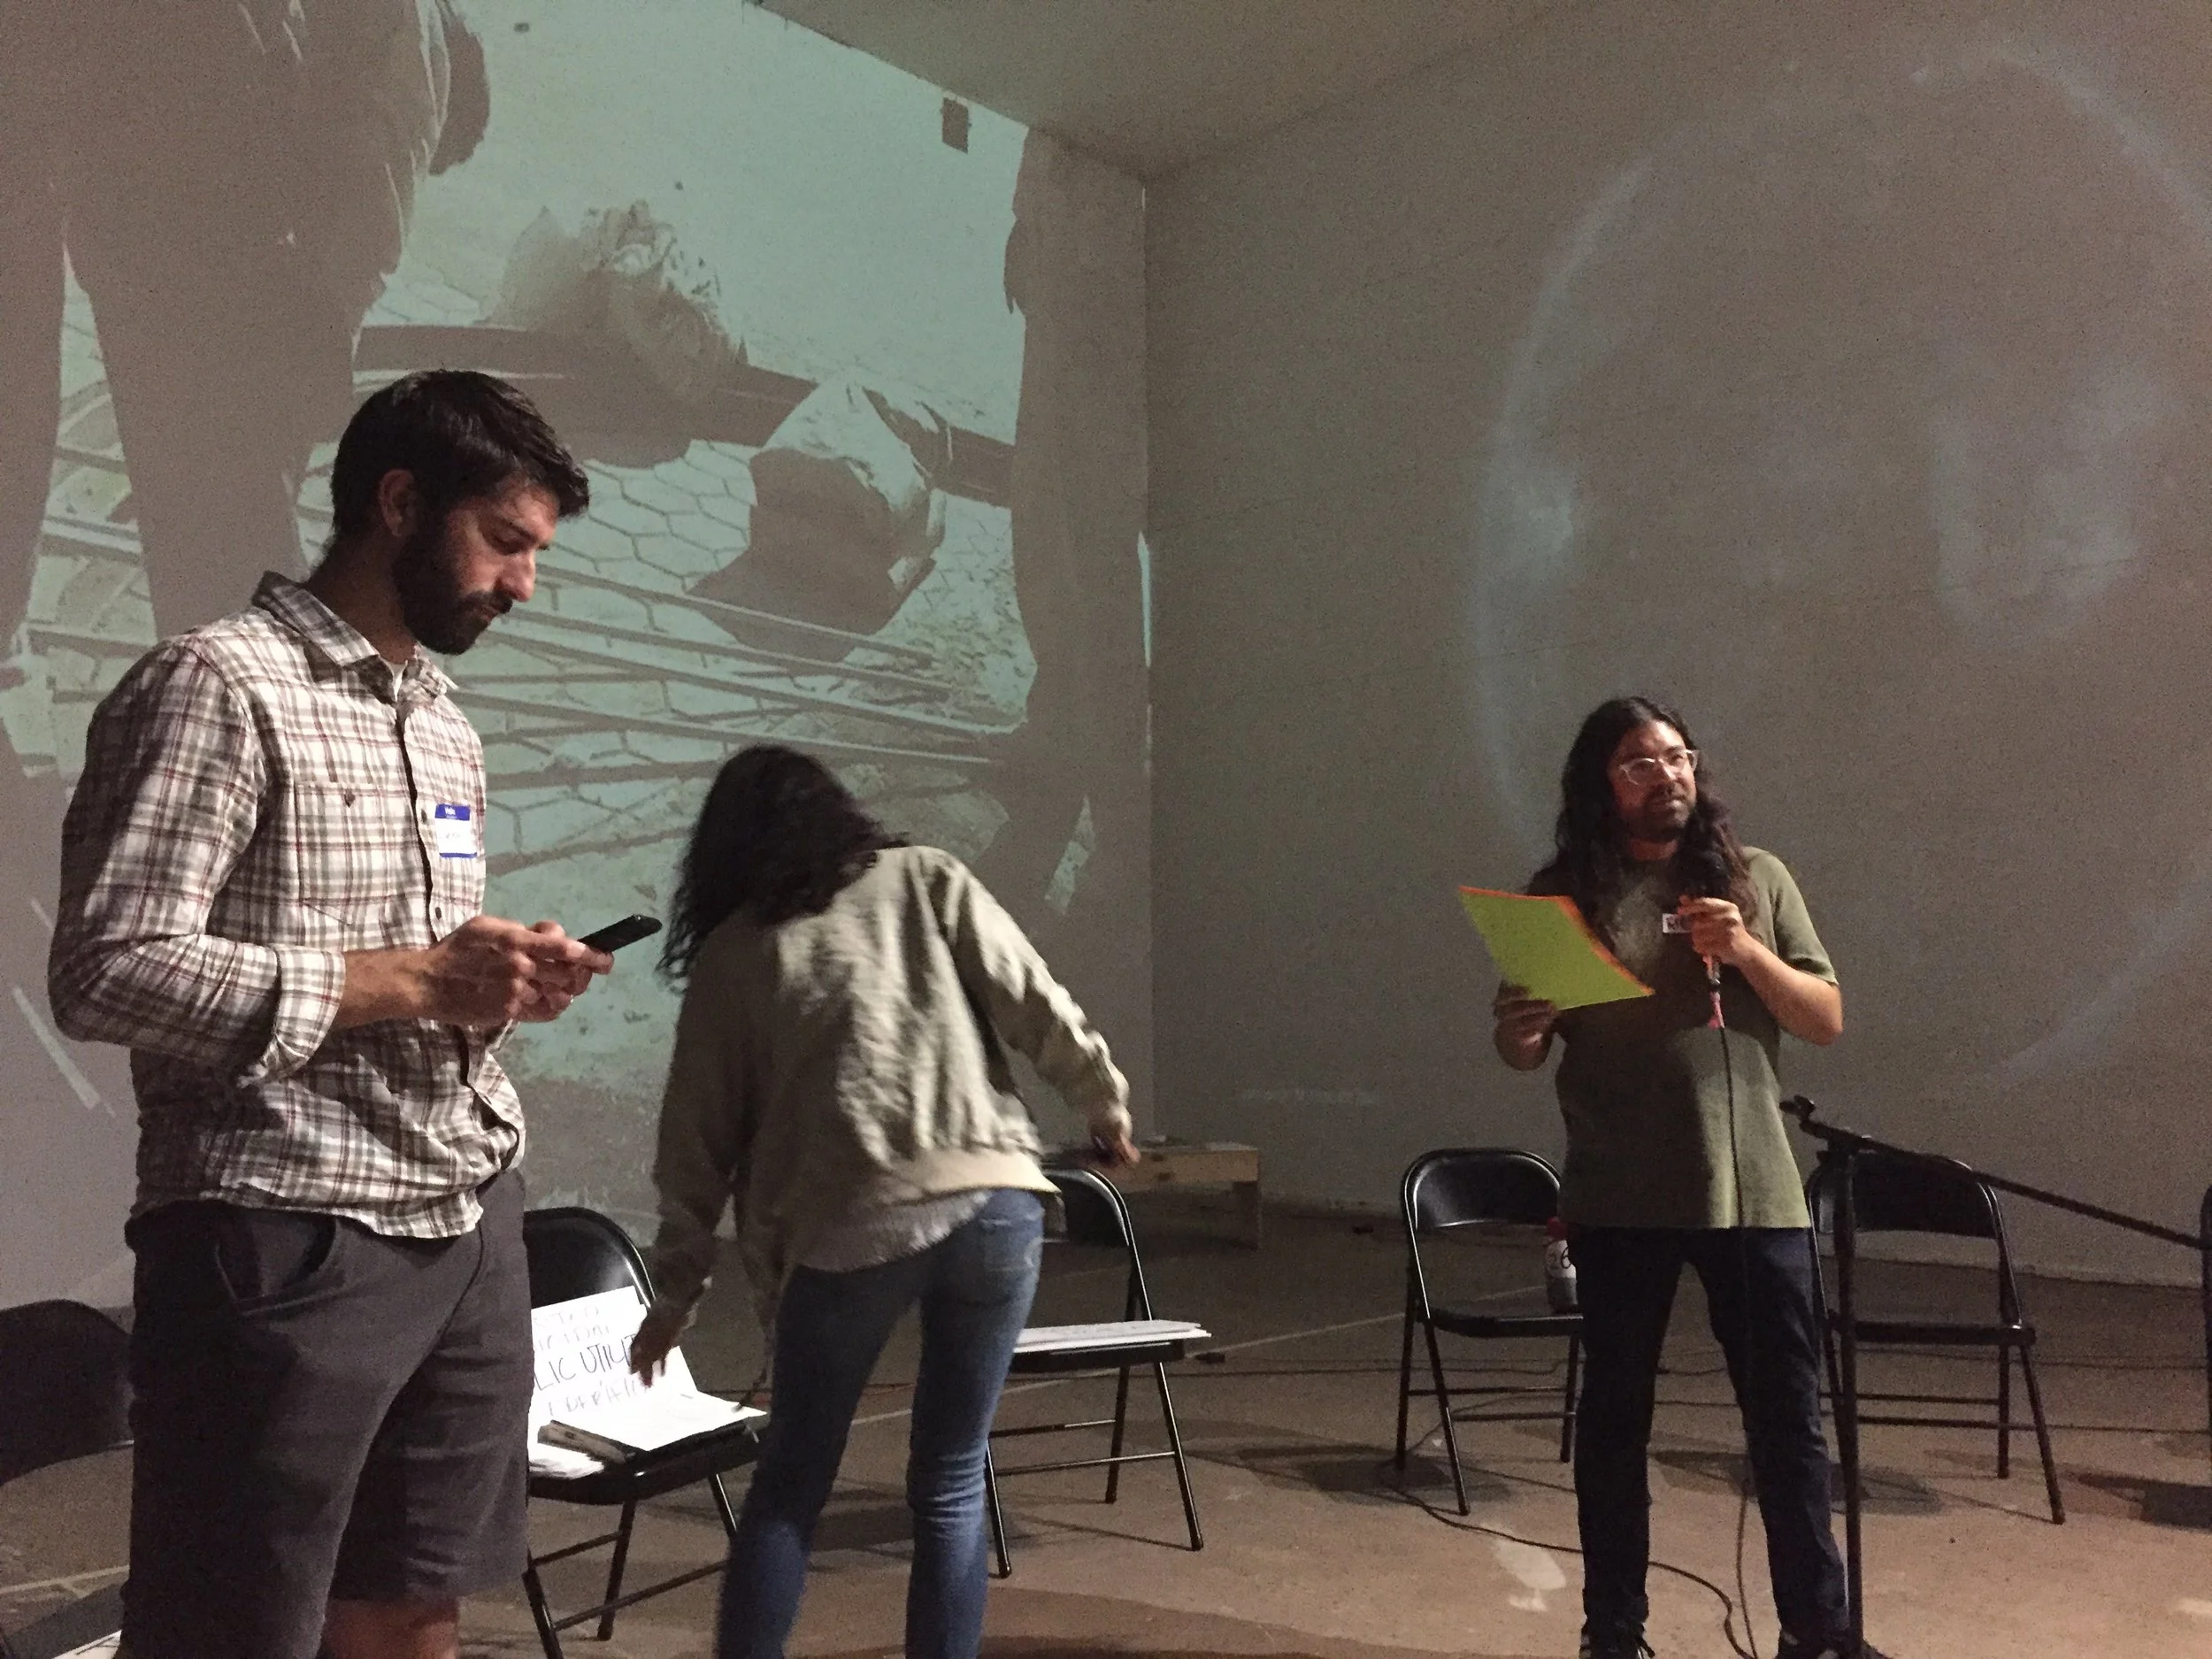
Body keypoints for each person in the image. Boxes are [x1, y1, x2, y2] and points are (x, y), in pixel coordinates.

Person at [47, 370, 612, 1659]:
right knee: (232, 1627)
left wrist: (494, 984)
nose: (525, 583)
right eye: (505, 541)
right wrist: (415, 980)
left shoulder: (444, 722)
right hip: (283, 1230)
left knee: (413, 1605)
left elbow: (421, 965)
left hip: (465, 1217)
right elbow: (107, 968)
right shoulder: (214, 685)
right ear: (399, 504)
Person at [626, 743, 1140, 1659]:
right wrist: (1102, 1102)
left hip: (847, 1223)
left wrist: (675, 1296)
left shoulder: (735, 952)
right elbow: (1030, 997)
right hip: (993, 1203)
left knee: (791, 1486)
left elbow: (694, 1142)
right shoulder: (925, 877)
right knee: (951, 1478)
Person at [1491, 697, 1882, 1659]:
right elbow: (1521, 1051)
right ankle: (1613, 1631)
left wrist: (1743, 949)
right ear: (1601, 785)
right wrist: (1524, 1029)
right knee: (1614, 1424)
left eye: (1676, 756)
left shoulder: (1756, 878)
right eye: (1639, 762)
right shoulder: (1564, 895)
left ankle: (1817, 1629)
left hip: (1753, 1194)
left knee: (1787, 1423)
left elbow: (1824, 1019)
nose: (1666, 774)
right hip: (1619, 1195)